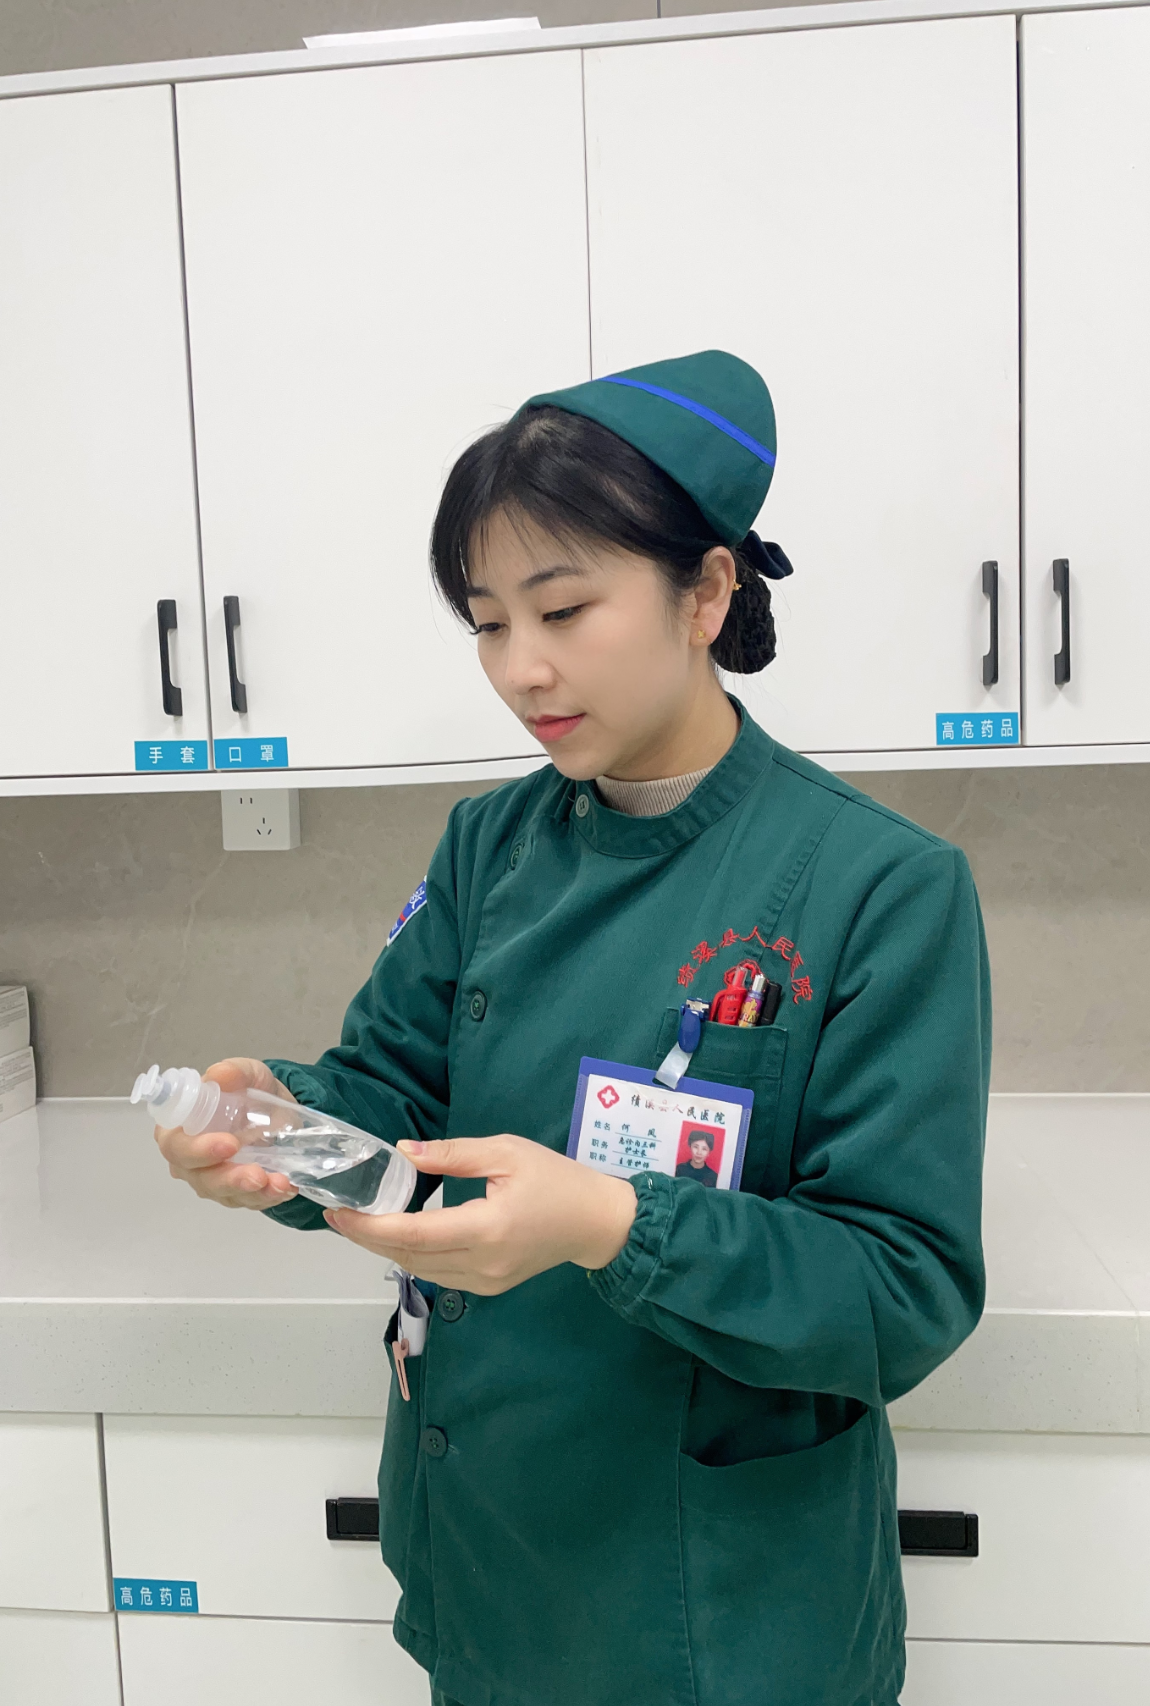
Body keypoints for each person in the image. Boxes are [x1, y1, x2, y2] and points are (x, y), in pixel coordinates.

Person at [154, 351, 989, 1706]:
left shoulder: (879, 887)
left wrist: (610, 1223)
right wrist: (281, 1132)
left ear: (706, 591)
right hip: (487, 1558)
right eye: (488, 623)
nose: (520, 669)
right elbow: (395, 1106)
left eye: (563, 608)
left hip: (722, 1612)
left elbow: (904, 1288)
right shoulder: (488, 845)